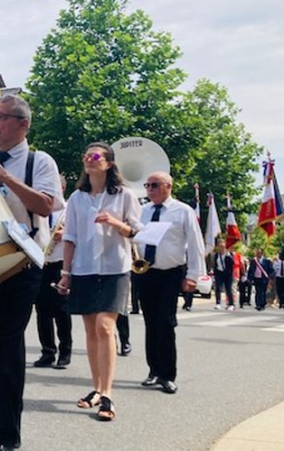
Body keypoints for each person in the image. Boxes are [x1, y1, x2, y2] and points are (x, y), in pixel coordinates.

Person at [0, 94, 63, 451]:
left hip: (21, 262)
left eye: (3, 117)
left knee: (7, 342)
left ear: (23, 125)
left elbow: (45, 205)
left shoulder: (40, 161)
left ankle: (8, 434)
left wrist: (4, 176)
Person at [56, 142, 142, 422]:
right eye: (86, 156)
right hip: (83, 269)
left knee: (106, 327)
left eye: (94, 156)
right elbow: (70, 238)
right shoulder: (77, 199)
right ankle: (95, 388)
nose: (88, 160)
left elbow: (136, 231)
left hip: (115, 268)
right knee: (92, 331)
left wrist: (116, 223)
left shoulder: (125, 195)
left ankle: (107, 394)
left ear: (108, 163)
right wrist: (66, 274)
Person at [135, 172, 206, 395]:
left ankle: (167, 374)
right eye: (147, 185)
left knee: (165, 322)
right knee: (149, 321)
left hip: (170, 273)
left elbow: (195, 244)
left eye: (154, 185)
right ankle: (153, 370)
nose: (150, 189)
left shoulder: (182, 210)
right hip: (145, 272)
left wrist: (194, 275)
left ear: (168, 186)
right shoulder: (142, 211)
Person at [33, 175, 72, 369]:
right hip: (40, 263)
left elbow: (81, 234)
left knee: (61, 310)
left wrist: (63, 234)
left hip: (59, 263)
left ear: (62, 188)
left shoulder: (68, 211)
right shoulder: (38, 210)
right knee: (42, 310)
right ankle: (47, 351)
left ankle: (65, 351)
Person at [212, 239, 235, 310]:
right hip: (219, 273)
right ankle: (218, 303)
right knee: (218, 288)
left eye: (222, 246)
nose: (221, 248)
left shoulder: (228, 255)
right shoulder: (216, 255)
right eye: (219, 246)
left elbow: (232, 264)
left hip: (227, 274)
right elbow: (215, 265)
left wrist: (228, 256)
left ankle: (231, 304)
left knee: (228, 289)